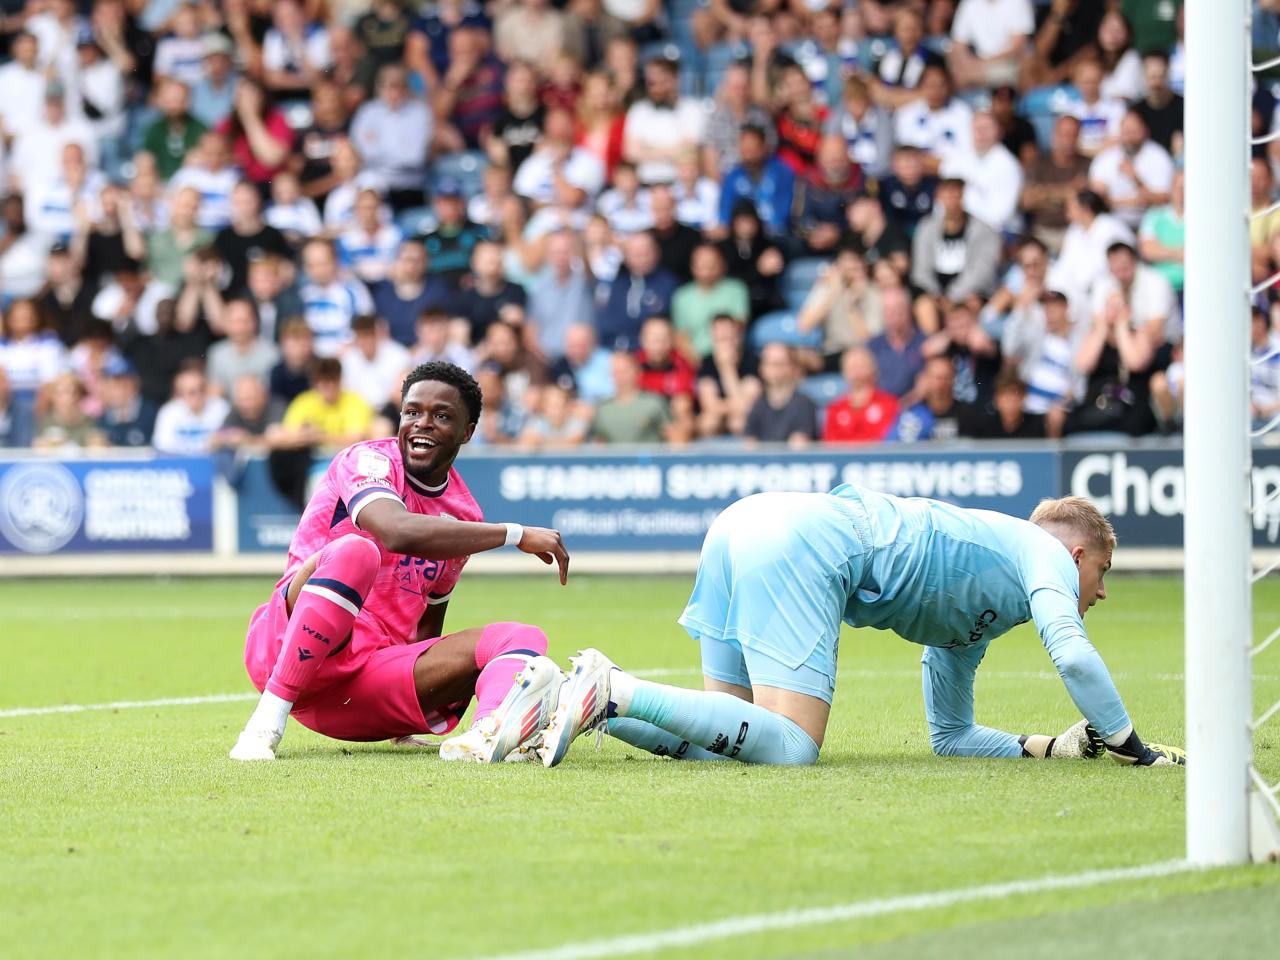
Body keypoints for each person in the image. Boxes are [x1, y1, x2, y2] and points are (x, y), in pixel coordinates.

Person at [540, 491, 1185, 770]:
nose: (1104, 590)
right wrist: (1135, 747)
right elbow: (1072, 657)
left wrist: (1045, 746)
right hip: (806, 539)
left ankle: (573, 700)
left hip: (746, 523)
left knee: (728, 744)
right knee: (792, 746)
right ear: (1077, 557)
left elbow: (951, 739)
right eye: (1103, 571)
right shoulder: (1040, 551)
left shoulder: (983, 606)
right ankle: (615, 688)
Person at [229, 360, 571, 763]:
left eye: (441, 416)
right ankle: (265, 723)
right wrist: (514, 534)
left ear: (467, 432)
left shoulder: (464, 516)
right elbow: (396, 530)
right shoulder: (367, 460)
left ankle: (489, 735)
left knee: (523, 638)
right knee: (357, 551)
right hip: (283, 651)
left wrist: (409, 717)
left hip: (357, 693)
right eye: (412, 412)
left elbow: (429, 620)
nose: (421, 423)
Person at [743, 343, 818, 448]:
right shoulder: (757, 405)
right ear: (762, 368)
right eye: (771, 364)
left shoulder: (804, 404)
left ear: (792, 367)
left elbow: (799, 446)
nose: (776, 370)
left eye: (781, 364)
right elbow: (750, 444)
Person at [822, 347, 899, 444]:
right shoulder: (835, 408)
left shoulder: (888, 403)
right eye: (852, 367)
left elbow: (885, 439)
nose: (856, 372)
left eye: (861, 366)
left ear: (872, 369)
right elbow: (830, 442)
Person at [151, 362, 231, 454]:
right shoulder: (169, 411)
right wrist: (204, 444)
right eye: (192, 392)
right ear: (180, 394)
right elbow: (162, 445)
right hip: (180, 465)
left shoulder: (221, 408)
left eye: (202, 389)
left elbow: (228, 441)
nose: (198, 395)